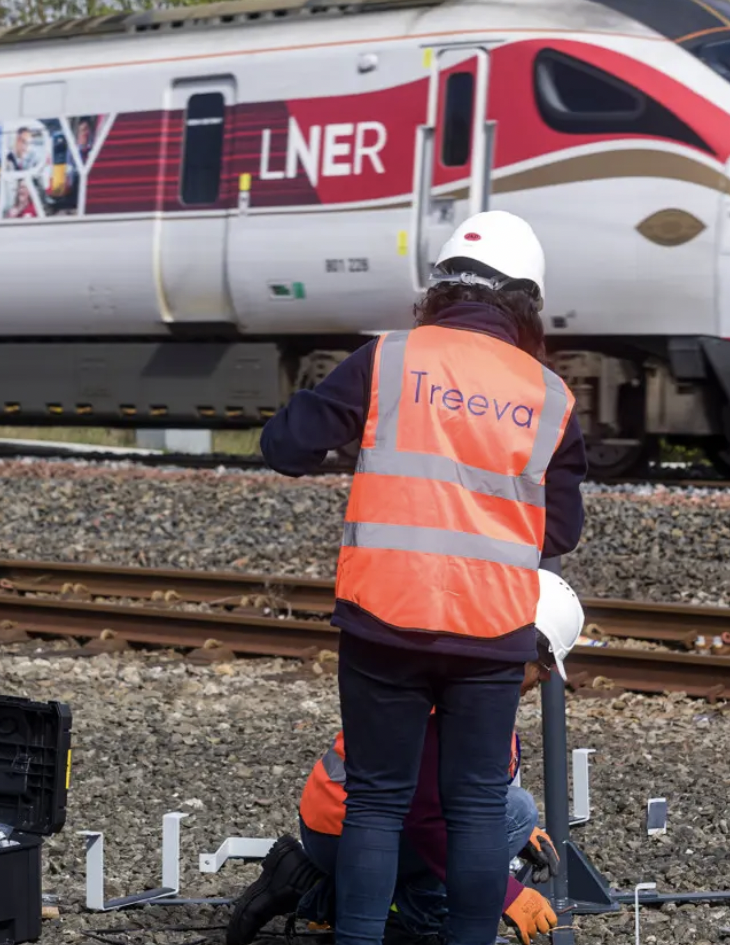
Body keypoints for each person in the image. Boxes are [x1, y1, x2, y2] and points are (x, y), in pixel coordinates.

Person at [258, 210, 587, 945]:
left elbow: (285, 445)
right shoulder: (551, 396)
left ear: (438, 288)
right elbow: (559, 530)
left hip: (384, 617)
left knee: (377, 801)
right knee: (475, 808)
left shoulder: (388, 360)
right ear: (527, 300)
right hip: (493, 630)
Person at [225, 571, 586, 945]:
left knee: (515, 815)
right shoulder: (457, 697)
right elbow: (427, 821)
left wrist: (518, 831)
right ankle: (420, 926)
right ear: (522, 646)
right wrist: (506, 893)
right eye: (544, 666)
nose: (544, 679)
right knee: (512, 811)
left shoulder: (458, 668)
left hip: (341, 821)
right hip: (352, 830)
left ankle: (313, 884)